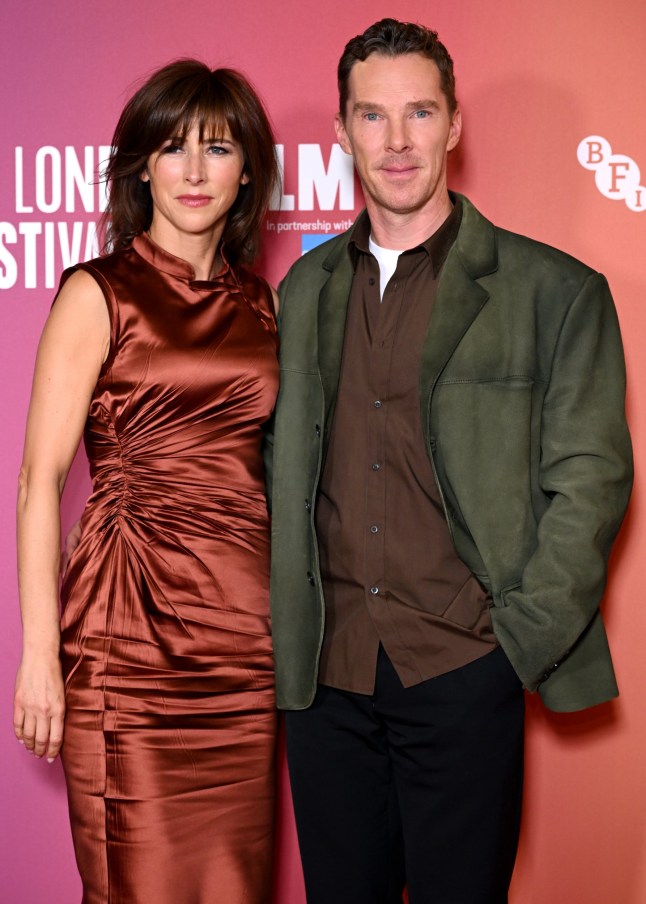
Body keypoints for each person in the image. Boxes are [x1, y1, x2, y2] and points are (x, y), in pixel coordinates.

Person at [266, 18, 633, 904]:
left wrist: (514, 649)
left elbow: (592, 478)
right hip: (326, 683)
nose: (397, 143)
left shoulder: (556, 291)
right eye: (373, 116)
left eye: (419, 113)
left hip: (465, 673)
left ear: (456, 124)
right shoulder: (302, 292)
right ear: (345, 131)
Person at [14, 60, 280, 903]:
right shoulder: (101, 293)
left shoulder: (264, 305)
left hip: (243, 646)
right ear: (140, 166)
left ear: (248, 172)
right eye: (171, 148)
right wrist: (38, 659)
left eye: (218, 148)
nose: (194, 172)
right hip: (128, 641)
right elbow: (37, 479)